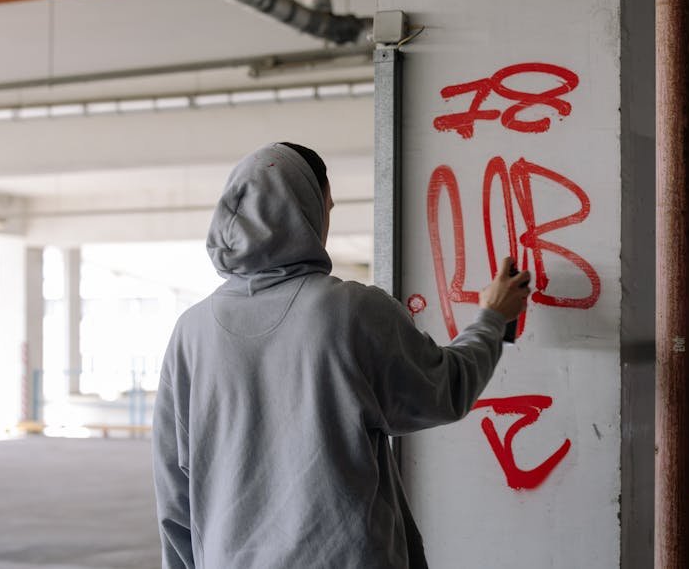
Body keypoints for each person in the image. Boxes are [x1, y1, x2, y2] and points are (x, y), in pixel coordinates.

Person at [152, 142, 530, 568]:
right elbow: (445, 389)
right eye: (326, 207)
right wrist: (493, 319)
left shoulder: (191, 330)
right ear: (305, 213)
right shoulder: (353, 310)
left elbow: (174, 490)